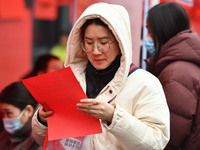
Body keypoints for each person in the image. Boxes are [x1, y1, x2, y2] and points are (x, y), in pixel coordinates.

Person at [32, 3, 170, 150]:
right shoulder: (67, 80)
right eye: (89, 43)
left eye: (103, 43)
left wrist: (114, 117)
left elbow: (156, 142)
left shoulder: (144, 83)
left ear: (120, 42)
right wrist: (42, 120)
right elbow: (42, 140)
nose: (96, 51)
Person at [146, 2, 200, 150]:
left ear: (163, 29)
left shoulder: (176, 73)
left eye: (150, 30)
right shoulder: (182, 63)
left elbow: (169, 135)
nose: (147, 37)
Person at [0, 81, 42, 150]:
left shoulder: (43, 139)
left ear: (28, 111)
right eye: (2, 114)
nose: (5, 119)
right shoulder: (5, 138)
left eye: (9, 113)